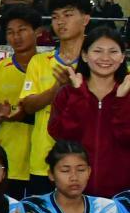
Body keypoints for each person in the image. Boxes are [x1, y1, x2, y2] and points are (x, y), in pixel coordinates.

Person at [19, 0, 91, 195]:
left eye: (68, 15)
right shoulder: (39, 62)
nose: (60, 22)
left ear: (85, 19)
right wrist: (57, 90)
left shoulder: (99, 62)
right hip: (43, 160)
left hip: (85, 159)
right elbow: (28, 105)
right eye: (55, 17)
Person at [47, 26, 130, 197]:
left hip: (123, 196)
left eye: (113, 51)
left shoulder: (127, 93)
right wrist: (79, 97)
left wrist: (121, 101)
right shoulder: (68, 93)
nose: (105, 58)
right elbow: (62, 137)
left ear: (122, 57)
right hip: (75, 194)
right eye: (97, 51)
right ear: (84, 55)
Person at [0, 6, 41, 199]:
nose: (16, 37)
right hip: (11, 158)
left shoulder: (49, 67)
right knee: (9, 212)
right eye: (10, 32)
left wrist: (24, 114)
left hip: (44, 158)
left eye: (22, 30)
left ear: (37, 32)